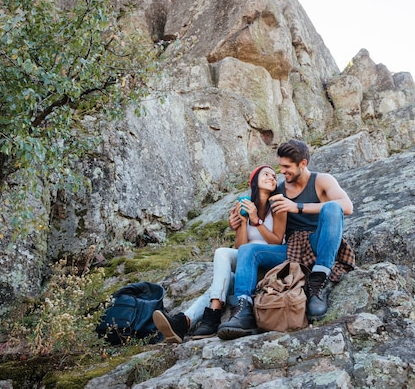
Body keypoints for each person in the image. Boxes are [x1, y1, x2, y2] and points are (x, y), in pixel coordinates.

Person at [217, 139, 354, 340]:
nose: (282, 171)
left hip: (319, 243)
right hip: (291, 250)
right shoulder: (279, 190)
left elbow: (347, 206)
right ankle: (243, 308)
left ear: (303, 164)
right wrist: (238, 220)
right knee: (249, 250)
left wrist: (296, 207)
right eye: (280, 165)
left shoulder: (322, 180)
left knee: (333, 207)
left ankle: (316, 285)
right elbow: (259, 207)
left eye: (287, 167)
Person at [152, 165, 287, 343]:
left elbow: (276, 240)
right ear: (254, 181)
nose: (271, 177)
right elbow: (240, 247)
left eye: (274, 176)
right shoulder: (245, 206)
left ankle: (206, 318)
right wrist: (244, 221)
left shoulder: (277, 204)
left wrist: (257, 221)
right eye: (266, 174)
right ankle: (186, 321)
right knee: (223, 259)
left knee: (232, 263)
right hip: (247, 265)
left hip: (270, 261)